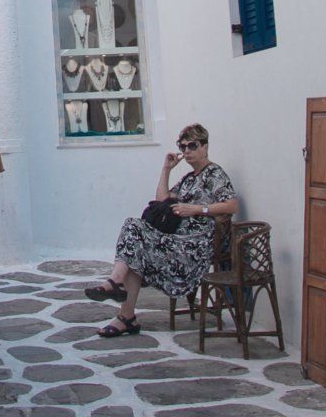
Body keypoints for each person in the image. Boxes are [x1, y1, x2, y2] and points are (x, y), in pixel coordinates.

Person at [83, 123, 238, 338]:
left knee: (134, 237)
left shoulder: (215, 174)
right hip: (176, 240)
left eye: (192, 146)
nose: (186, 151)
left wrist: (197, 209)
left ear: (205, 146)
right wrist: (166, 169)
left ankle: (119, 297)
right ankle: (122, 304)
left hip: (196, 244)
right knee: (133, 236)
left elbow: (231, 205)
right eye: (182, 147)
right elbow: (161, 200)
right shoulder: (189, 178)